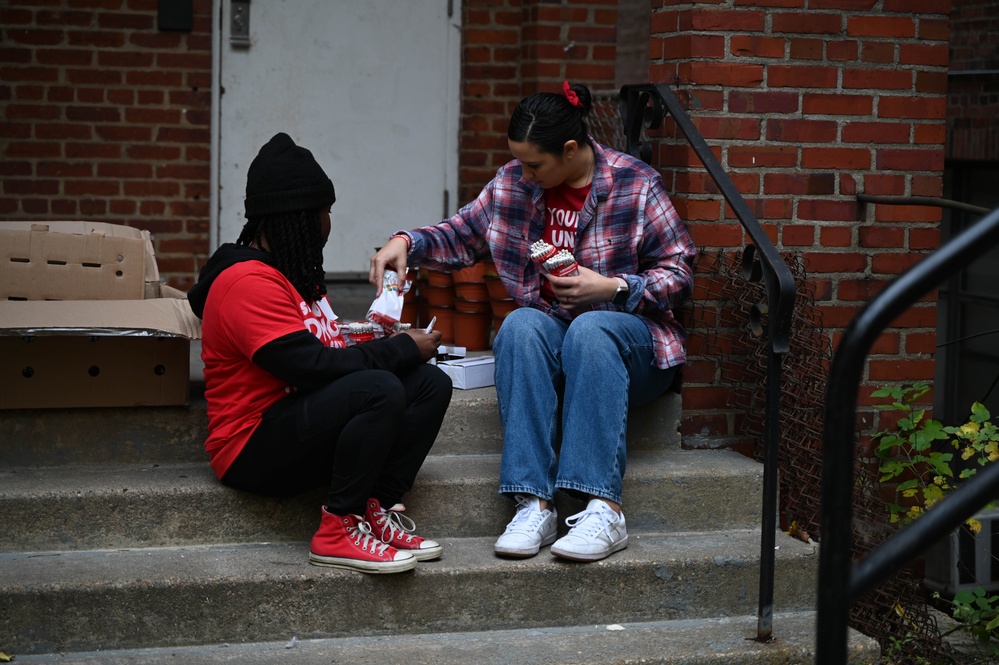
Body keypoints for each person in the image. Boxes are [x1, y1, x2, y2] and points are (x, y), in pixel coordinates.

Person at [370, 82, 696, 563]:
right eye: (518, 162)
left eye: (533, 164)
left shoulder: (635, 184)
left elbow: (680, 274)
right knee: (520, 324)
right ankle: (533, 504)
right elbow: (461, 235)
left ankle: (602, 506)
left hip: (632, 346)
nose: (522, 173)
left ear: (569, 149)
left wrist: (611, 287)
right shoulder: (514, 184)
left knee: (591, 328)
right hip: (557, 339)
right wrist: (405, 242)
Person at [188, 132, 452, 574]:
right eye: (324, 212)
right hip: (251, 447)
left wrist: (381, 338)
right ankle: (336, 530)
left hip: (298, 420)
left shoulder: (293, 274)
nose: (330, 222)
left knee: (429, 384)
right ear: (298, 218)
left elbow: (323, 348)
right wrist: (401, 348)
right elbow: (311, 367)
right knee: (379, 387)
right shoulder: (246, 283)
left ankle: (373, 509)